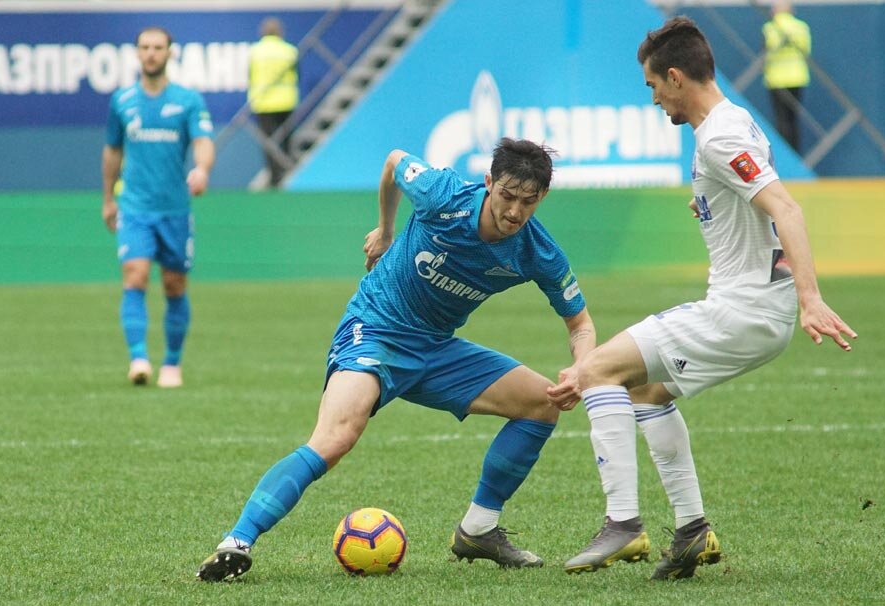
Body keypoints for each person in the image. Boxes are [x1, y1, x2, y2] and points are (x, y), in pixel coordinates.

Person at [196, 138, 597, 582]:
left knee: (542, 403)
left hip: (436, 348)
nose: (515, 212)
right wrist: (386, 231)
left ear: (543, 197)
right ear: (488, 183)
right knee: (336, 437)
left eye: (529, 201)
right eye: (507, 196)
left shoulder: (538, 251)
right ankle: (236, 543)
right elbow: (392, 161)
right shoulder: (442, 195)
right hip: (376, 329)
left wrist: (581, 369)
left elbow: (580, 325)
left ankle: (479, 529)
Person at [561, 16, 856, 580]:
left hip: (742, 310)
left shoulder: (720, 137)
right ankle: (692, 531)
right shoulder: (733, 122)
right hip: (754, 312)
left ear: (675, 77)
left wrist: (811, 298)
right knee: (645, 391)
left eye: (653, 86)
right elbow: (751, 204)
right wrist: (710, 208)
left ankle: (622, 524)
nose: (653, 99)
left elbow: (786, 209)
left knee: (596, 370)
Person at [101, 26, 215, 388]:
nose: (151, 53)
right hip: (134, 208)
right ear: (137, 53)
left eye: (158, 47)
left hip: (174, 210)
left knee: (174, 284)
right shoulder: (122, 100)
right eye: (145, 47)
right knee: (134, 275)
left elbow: (203, 141)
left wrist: (202, 169)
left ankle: (172, 363)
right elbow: (112, 151)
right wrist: (108, 199)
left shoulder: (188, 100)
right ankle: (138, 359)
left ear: (170, 53)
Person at [248, 17, 299, 189]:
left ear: (262, 32)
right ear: (280, 32)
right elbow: (297, 75)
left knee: (269, 143)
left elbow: (250, 75)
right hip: (286, 101)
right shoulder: (290, 51)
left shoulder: (255, 51)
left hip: (263, 103)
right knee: (286, 140)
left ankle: (274, 177)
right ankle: (288, 172)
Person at [762, 0, 811, 153]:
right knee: (793, 119)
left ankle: (784, 154)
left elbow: (765, 52)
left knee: (781, 120)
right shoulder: (801, 27)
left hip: (776, 79)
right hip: (797, 77)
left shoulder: (770, 28)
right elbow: (806, 50)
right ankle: (795, 154)